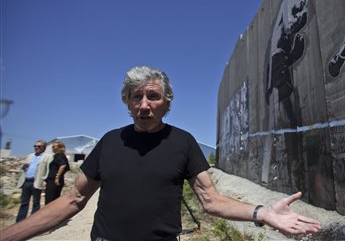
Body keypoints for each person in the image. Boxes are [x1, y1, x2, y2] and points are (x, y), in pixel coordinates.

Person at [1, 66, 321, 241]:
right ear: (126, 103)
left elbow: (211, 200)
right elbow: (73, 200)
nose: (143, 104)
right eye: (135, 97)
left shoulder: (183, 142)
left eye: (152, 96)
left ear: (167, 103)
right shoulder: (110, 142)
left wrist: (262, 212)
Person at [15, 140, 52, 222]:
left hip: (37, 182)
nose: (36, 148)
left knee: (36, 203)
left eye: (39, 146)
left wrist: (44, 181)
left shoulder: (47, 157)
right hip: (27, 181)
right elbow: (23, 167)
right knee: (24, 203)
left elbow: (48, 170)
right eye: (35, 146)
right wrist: (23, 166)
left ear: (44, 147)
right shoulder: (30, 156)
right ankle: (20, 222)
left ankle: (33, 221)